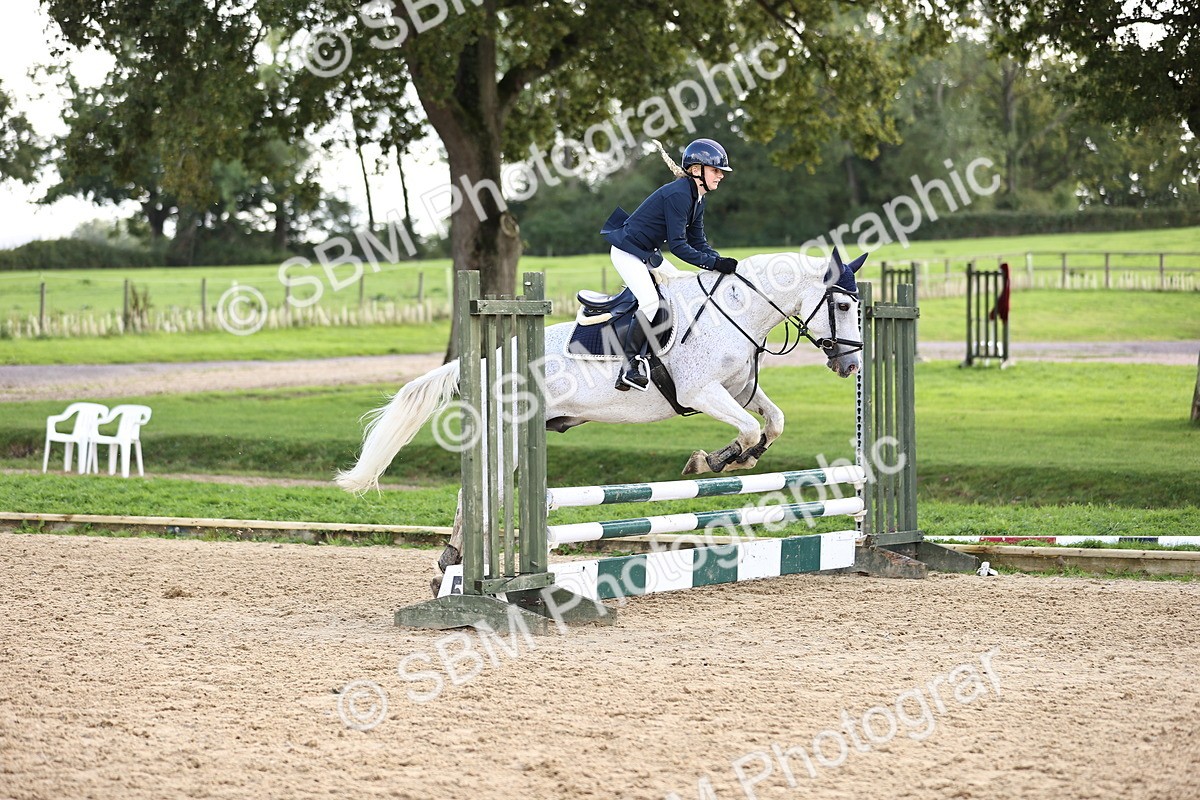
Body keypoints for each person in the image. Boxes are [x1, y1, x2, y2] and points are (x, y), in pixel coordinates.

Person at [599, 138, 738, 391]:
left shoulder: (698, 197)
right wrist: (715, 263)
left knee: (684, 287)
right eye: (716, 170)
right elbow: (679, 246)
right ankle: (628, 366)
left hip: (647, 254)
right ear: (697, 170)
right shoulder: (678, 195)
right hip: (627, 252)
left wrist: (719, 262)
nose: (721, 176)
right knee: (651, 303)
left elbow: (698, 241)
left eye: (721, 172)